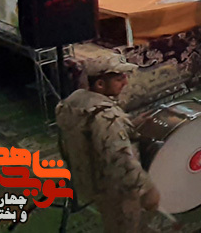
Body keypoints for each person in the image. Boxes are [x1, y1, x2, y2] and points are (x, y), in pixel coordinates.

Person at [56, 54, 160, 232]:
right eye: (119, 79)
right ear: (100, 84)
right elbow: (121, 162)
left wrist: (127, 125)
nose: (125, 82)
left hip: (88, 179)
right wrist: (147, 190)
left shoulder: (72, 101)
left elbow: (84, 136)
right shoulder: (106, 115)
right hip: (115, 190)